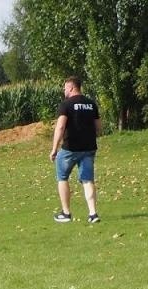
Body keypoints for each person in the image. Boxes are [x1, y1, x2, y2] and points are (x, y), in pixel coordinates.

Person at [50, 77, 101, 224]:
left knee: (62, 178)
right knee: (87, 180)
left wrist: (54, 148)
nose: (64, 91)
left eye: (65, 88)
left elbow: (60, 127)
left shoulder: (66, 105)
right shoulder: (91, 104)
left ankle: (66, 213)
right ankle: (93, 213)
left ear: (72, 87)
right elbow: (98, 127)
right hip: (89, 148)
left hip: (70, 148)